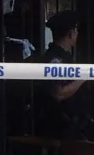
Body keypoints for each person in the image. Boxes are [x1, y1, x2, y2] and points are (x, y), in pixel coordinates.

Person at [37, 10, 91, 139]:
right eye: (76, 30)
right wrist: (83, 78)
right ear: (71, 34)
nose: (77, 34)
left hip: (73, 127)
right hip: (61, 130)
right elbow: (58, 93)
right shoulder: (55, 60)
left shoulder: (64, 57)